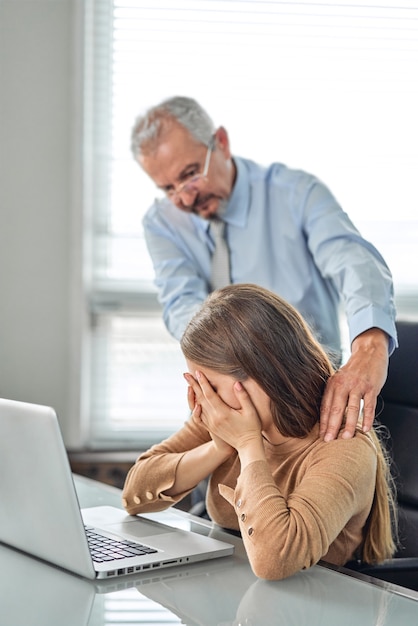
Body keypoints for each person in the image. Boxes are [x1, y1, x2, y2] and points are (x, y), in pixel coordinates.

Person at [131, 96, 397, 442]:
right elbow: (181, 305)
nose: (185, 198)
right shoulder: (162, 224)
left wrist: (370, 346)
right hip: (226, 414)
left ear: (221, 144)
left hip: (309, 415)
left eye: (190, 174)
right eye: (168, 189)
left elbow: (354, 261)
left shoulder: (296, 194)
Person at [122, 284, 397, 581]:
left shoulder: (343, 446)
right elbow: (134, 495)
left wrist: (248, 446)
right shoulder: (224, 417)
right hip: (236, 593)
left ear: (261, 378)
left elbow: (275, 561)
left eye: (210, 385)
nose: (202, 398)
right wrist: (219, 448)